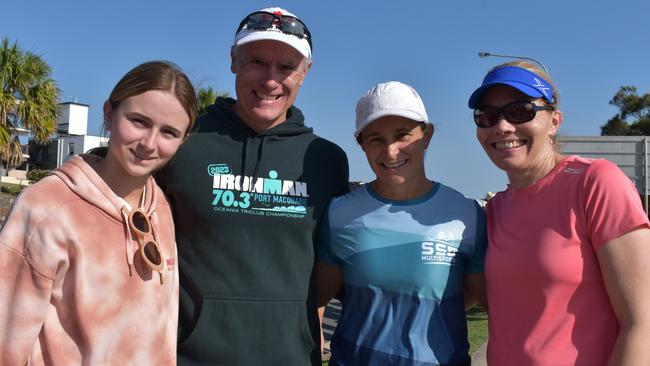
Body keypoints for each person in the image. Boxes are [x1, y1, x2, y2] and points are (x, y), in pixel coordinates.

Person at [156, 7, 349, 365]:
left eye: (287, 67)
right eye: (257, 62)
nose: (271, 80)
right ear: (233, 61)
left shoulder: (326, 160)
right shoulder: (183, 142)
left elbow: (321, 273)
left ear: (305, 73)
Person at [0, 60, 197, 365]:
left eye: (169, 132)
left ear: (183, 140)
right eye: (139, 121)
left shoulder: (161, 207)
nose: (149, 143)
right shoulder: (46, 206)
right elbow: (7, 340)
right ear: (109, 113)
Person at [468, 61, 650, 365]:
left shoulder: (595, 183)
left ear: (554, 121)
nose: (502, 126)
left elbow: (642, 324)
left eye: (520, 111)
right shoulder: (494, 210)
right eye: (487, 116)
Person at [317, 81, 487, 365]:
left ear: (427, 135)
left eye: (403, 135)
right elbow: (319, 299)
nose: (391, 151)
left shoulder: (466, 215)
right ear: (361, 144)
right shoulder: (338, 214)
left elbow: (470, 300)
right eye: (376, 139)